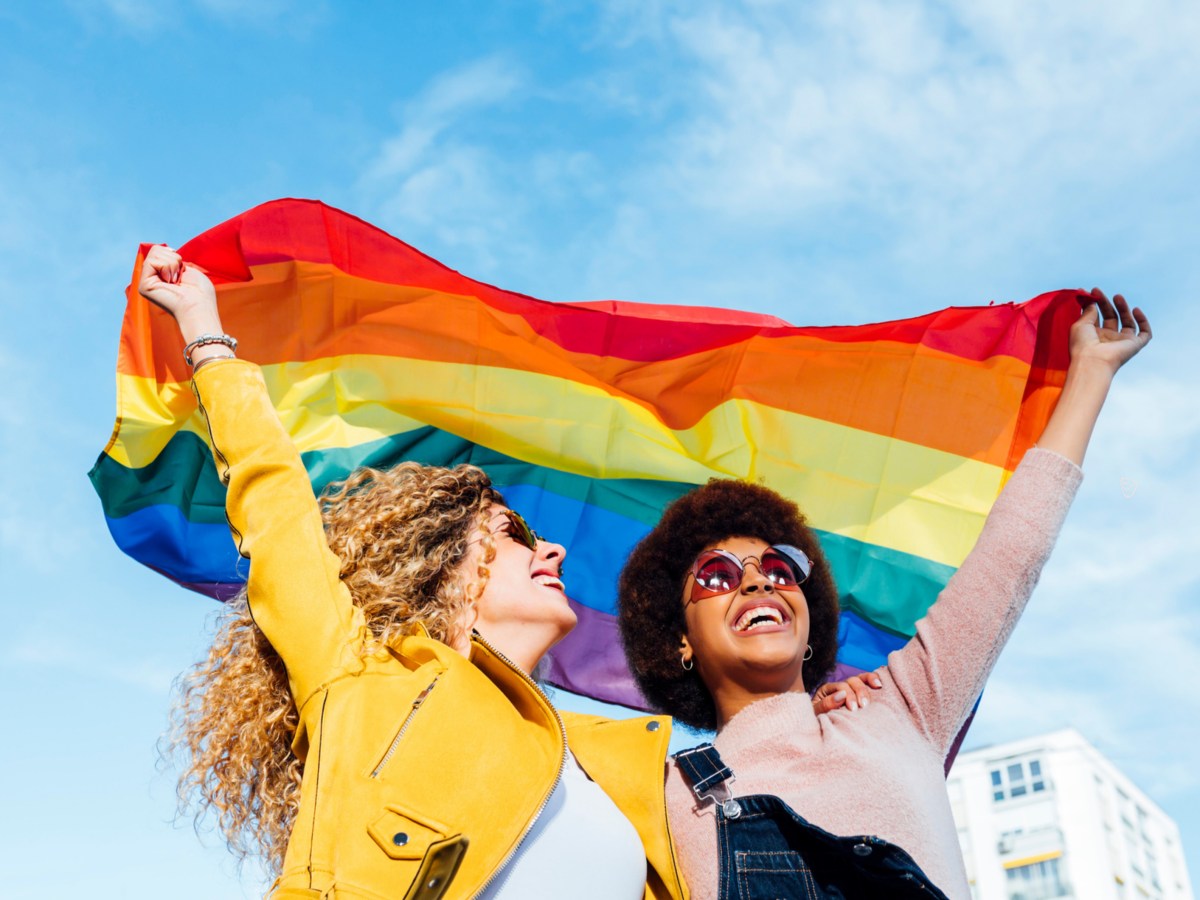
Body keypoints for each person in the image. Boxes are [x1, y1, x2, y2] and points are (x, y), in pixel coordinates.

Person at [141, 245, 873, 899]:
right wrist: (205, 333)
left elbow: (755, 819)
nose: (552, 553)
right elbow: (277, 513)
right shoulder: (363, 684)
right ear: (443, 568)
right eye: (516, 535)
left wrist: (805, 713)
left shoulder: (618, 761)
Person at [617, 290, 1151, 899]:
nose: (757, 580)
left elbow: (1012, 553)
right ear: (678, 639)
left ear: (811, 619)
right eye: (716, 575)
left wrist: (1092, 371)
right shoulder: (661, 797)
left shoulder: (904, 711)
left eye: (779, 568)